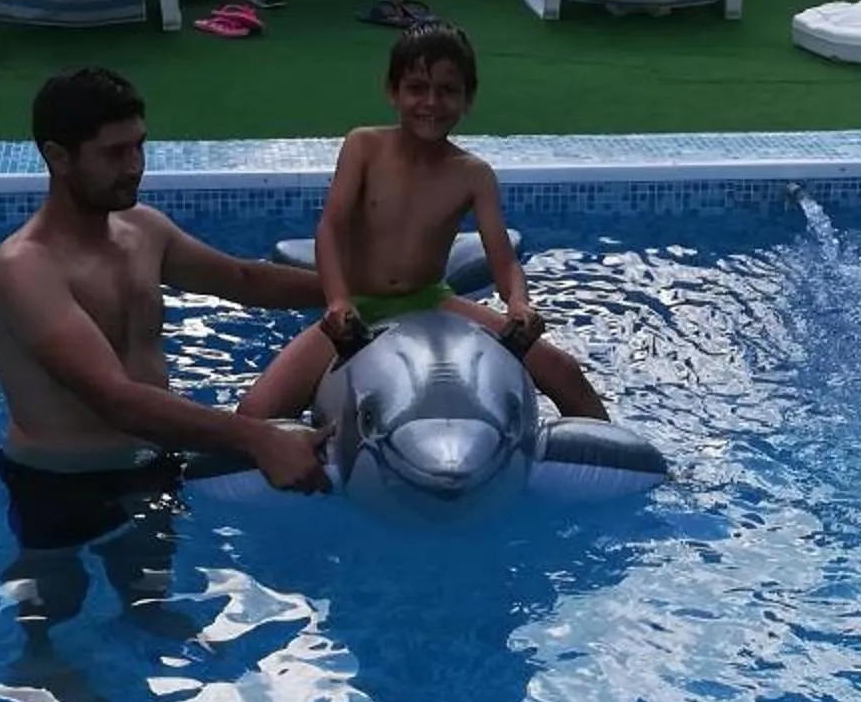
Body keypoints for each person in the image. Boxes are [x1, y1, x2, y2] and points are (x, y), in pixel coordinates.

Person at [0, 65, 332, 558]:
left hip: (154, 462)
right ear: (58, 157)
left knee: (150, 603)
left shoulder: (142, 229)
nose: (134, 166)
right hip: (60, 482)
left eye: (139, 146)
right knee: (52, 615)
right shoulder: (26, 269)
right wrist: (258, 439)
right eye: (114, 153)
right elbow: (116, 399)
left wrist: (351, 291)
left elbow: (242, 279)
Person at [239, 21, 609, 424]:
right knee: (256, 412)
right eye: (417, 88)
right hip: (359, 308)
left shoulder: (473, 174)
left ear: (468, 100)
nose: (431, 102)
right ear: (393, 92)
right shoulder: (364, 146)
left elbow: (502, 259)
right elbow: (331, 228)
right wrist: (338, 299)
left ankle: (634, 468)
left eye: (448, 91)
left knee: (564, 371)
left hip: (431, 300)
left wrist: (518, 302)